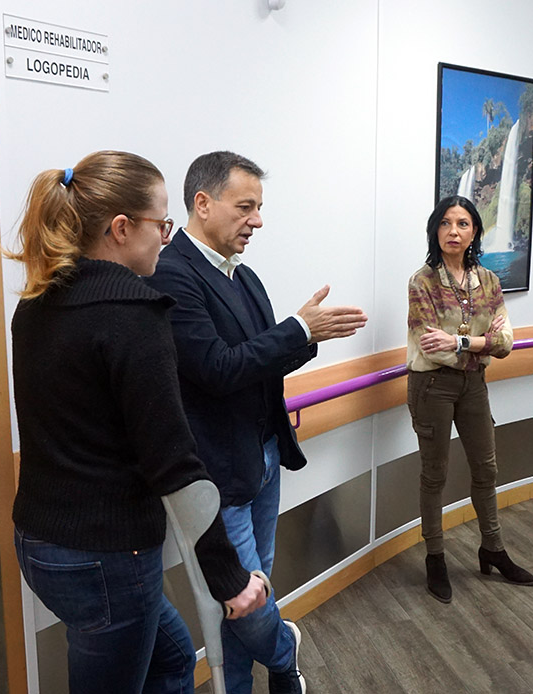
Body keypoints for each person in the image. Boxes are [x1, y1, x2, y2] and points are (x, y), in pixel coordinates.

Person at [5, 150, 267, 693]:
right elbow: (172, 461)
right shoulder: (134, 314)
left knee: (171, 660)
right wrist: (228, 577)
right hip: (105, 555)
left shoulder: (37, 302)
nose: (166, 239)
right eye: (161, 225)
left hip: (39, 541)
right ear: (121, 229)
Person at [147, 151, 367, 694]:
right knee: (243, 601)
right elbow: (218, 369)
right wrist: (298, 328)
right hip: (219, 472)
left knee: (254, 588)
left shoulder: (242, 275)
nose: (258, 221)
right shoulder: (172, 274)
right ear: (203, 203)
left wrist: (308, 336)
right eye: (245, 207)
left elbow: (257, 362)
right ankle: (284, 653)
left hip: (263, 456)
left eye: (259, 208)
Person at [406, 195, 533, 604]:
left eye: (462, 224)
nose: (453, 232)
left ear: (475, 231)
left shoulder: (489, 281)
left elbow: (506, 342)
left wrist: (461, 342)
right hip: (433, 386)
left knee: (486, 468)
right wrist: (482, 344)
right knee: (435, 474)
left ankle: (492, 548)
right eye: (445, 223)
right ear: (435, 231)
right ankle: (435, 557)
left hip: (474, 385)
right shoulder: (422, 282)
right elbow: (431, 347)